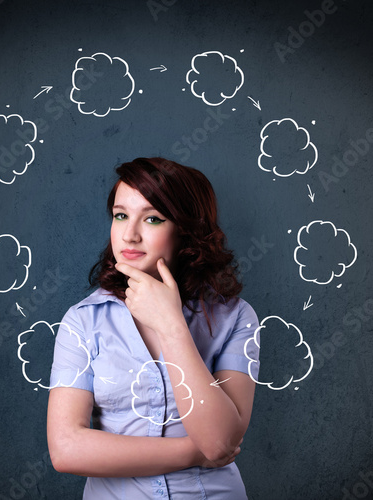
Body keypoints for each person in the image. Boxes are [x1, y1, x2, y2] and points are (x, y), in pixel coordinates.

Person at [47, 157, 260, 499]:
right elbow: (66, 449)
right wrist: (193, 453)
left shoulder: (236, 317)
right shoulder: (83, 320)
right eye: (120, 215)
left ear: (186, 232)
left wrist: (171, 325)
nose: (129, 234)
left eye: (152, 219)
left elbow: (220, 439)